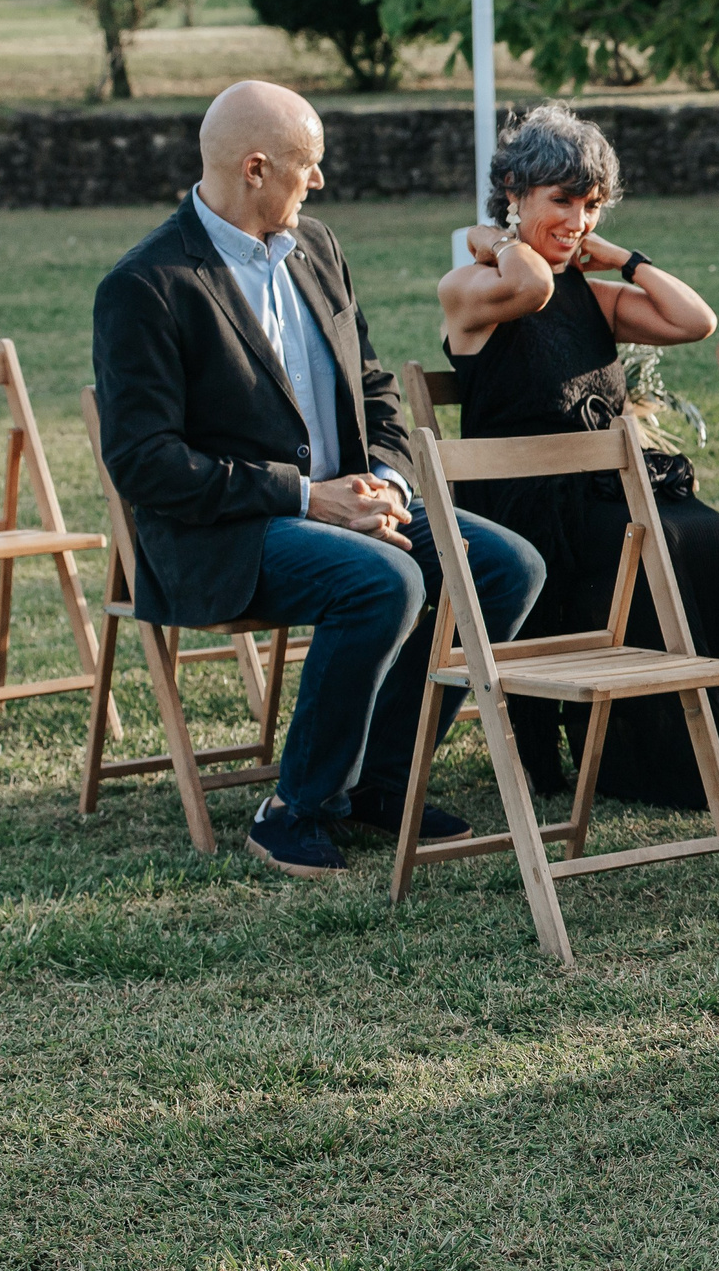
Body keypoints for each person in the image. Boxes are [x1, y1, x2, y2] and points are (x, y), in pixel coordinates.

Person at [93, 80, 546, 877]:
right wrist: (308, 498)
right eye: (309, 164)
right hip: (225, 535)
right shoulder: (146, 285)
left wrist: (387, 483)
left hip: (351, 508)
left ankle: (379, 781)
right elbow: (144, 464)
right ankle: (294, 809)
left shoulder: (318, 247)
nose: (321, 179)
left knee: (506, 567)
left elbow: (374, 390)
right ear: (256, 169)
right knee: (384, 582)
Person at [438, 104, 719, 808]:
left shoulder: (591, 293)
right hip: (525, 507)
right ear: (513, 192)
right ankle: (679, 760)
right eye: (562, 201)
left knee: (708, 534)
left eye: (592, 205)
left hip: (599, 490)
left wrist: (625, 259)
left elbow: (695, 320)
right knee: (653, 540)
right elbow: (530, 288)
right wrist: (492, 238)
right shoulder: (469, 287)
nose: (579, 221)